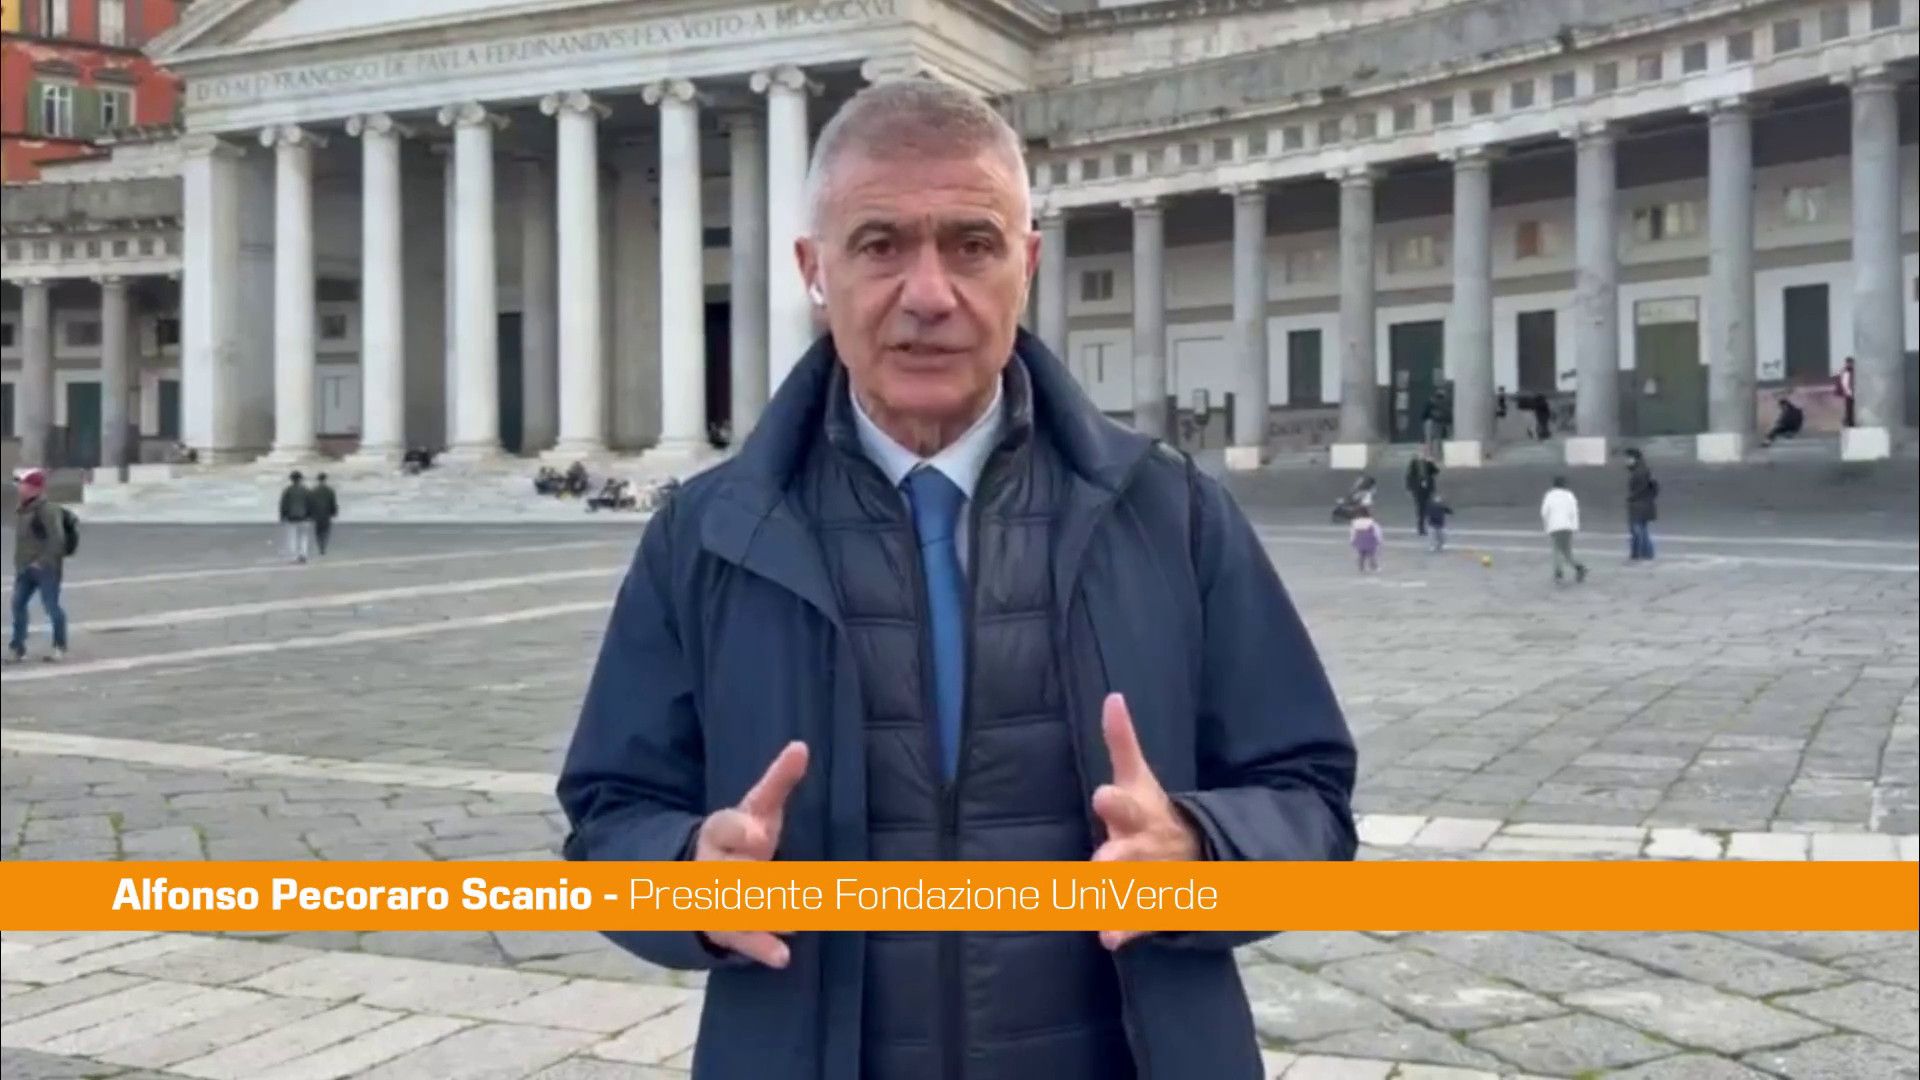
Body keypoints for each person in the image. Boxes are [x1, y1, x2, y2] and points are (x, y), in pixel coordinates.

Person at [557, 80, 1357, 1080]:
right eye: (879, 244)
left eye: (972, 245)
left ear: (1027, 265)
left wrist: (1202, 849)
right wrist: (688, 879)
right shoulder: (704, 536)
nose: (929, 295)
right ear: (814, 270)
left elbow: (1311, 800)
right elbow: (610, 818)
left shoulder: (1172, 515)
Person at [9, 468, 68, 663]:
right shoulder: (22, 510)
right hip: (25, 568)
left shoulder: (48, 510)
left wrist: (41, 562)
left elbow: (57, 539)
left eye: (23, 484)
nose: (20, 487)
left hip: (45, 569)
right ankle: (18, 648)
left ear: (35, 488)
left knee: (51, 607)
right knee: (18, 605)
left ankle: (59, 646)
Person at [1541, 475, 1588, 585]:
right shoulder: (1569, 495)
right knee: (1567, 552)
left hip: (1555, 526)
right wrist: (1575, 527)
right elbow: (1574, 512)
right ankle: (1579, 567)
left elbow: (1544, 512)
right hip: (1567, 526)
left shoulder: (1549, 496)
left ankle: (1559, 573)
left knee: (1556, 551)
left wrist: (1546, 526)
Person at [1624, 448, 1657, 562]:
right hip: (1646, 505)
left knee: (1637, 530)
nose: (1626, 461)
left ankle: (1638, 554)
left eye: (1628, 458)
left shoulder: (1639, 473)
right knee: (1643, 530)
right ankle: (1647, 554)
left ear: (1635, 459)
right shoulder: (1645, 470)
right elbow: (1654, 488)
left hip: (1639, 505)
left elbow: (1641, 489)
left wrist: (1631, 498)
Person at [278, 471, 314, 564]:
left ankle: (294, 556)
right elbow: (311, 504)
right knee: (303, 537)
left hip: (291, 517)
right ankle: (303, 555)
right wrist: (311, 515)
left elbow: (283, 505)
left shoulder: (288, 490)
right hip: (304, 517)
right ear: (301, 479)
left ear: (291, 479)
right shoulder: (306, 490)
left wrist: (282, 516)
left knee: (292, 537)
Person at [1405, 451, 1438, 536]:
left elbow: (1436, 472)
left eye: (1423, 454)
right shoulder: (1414, 463)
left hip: (1428, 489)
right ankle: (1421, 528)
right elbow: (1409, 476)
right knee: (1420, 509)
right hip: (1418, 489)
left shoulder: (1428, 463)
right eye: (1421, 454)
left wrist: (1431, 463)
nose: (1422, 456)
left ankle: (1431, 525)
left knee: (1429, 507)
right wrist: (1409, 488)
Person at [310, 473, 339, 556]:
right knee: (326, 531)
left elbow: (311, 503)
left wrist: (310, 514)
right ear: (325, 479)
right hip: (327, 514)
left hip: (317, 514)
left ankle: (320, 546)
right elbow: (333, 503)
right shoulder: (330, 490)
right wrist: (334, 512)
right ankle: (323, 547)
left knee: (318, 532)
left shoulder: (314, 490)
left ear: (318, 479)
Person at [1350, 505, 1383, 572]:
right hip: (1370, 539)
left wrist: (1352, 540)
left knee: (1361, 554)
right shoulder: (1371, 521)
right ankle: (1374, 567)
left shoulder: (1355, 522)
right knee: (1371, 554)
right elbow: (1377, 531)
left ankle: (1361, 567)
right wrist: (1379, 540)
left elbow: (1353, 532)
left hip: (1359, 539)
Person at [1424, 489, 1452, 553]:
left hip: (1439, 523)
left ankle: (1440, 546)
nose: (1438, 499)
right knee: (1432, 536)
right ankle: (1432, 546)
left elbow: (1448, 510)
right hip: (1433, 523)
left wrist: (1450, 511)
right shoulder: (1430, 505)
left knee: (1442, 536)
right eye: (1437, 498)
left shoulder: (1441, 506)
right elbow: (1427, 513)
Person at [1835, 357, 1855, 428]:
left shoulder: (1852, 371)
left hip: (1851, 392)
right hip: (1849, 393)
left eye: (1850, 363)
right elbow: (1843, 383)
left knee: (1850, 407)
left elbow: (1843, 382)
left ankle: (1849, 420)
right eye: (1848, 363)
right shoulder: (1845, 371)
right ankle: (1849, 421)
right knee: (1849, 407)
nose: (1849, 364)